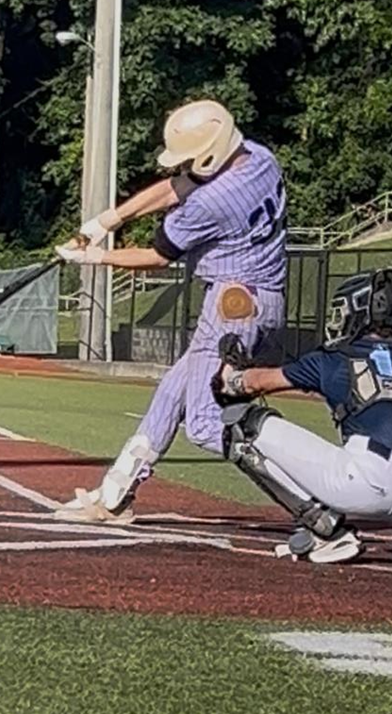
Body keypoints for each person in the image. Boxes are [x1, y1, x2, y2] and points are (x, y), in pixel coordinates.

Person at [55, 99, 287, 522]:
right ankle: (115, 496)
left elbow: (159, 255)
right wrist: (106, 222)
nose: (182, 165)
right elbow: (178, 186)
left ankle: (315, 491)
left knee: (204, 424)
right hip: (253, 300)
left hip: (235, 306)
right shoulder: (259, 157)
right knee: (169, 394)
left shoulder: (211, 203)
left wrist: (95, 258)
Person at [212, 267, 392, 564]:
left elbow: (253, 384)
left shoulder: (333, 359)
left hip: (363, 483)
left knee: (242, 427)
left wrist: (230, 376)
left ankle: (327, 532)